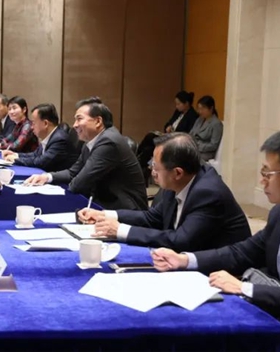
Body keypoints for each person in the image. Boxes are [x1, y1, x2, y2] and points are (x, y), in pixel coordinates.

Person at [151, 127, 280, 351]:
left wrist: (244, 288)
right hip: (278, 316)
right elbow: (243, 252)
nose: (262, 181)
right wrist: (185, 260)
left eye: (268, 174)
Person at [78, 133, 250, 251]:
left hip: (221, 274)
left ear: (177, 172)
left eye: (155, 166)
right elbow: (152, 218)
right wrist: (105, 215)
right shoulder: (177, 182)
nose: (151, 170)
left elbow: (181, 240)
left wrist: (120, 230)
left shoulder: (208, 193)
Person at [24, 97, 147, 210]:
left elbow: (79, 184)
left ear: (98, 121)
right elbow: (73, 172)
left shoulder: (108, 142)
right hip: (105, 203)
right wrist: (47, 177)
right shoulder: (92, 141)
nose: (74, 125)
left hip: (124, 210)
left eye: (79, 119)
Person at [137, 91, 199, 183]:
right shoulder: (177, 112)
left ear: (186, 103)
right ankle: (140, 166)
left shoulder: (193, 116)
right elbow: (168, 122)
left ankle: (138, 162)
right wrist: (168, 127)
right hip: (168, 135)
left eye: (179, 104)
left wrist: (174, 132)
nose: (177, 106)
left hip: (176, 139)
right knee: (148, 147)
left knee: (150, 139)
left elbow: (186, 133)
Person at [1, 103, 79, 172]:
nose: (31, 127)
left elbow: (40, 162)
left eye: (34, 123)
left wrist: (15, 160)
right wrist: (16, 155)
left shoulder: (59, 139)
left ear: (45, 123)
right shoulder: (50, 135)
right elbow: (35, 154)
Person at [189, 95, 223, 161]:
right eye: (199, 109)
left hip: (205, 153)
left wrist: (198, 146)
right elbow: (191, 133)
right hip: (193, 148)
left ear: (211, 108)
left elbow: (213, 145)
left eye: (203, 109)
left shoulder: (216, 124)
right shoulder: (199, 120)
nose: (200, 111)